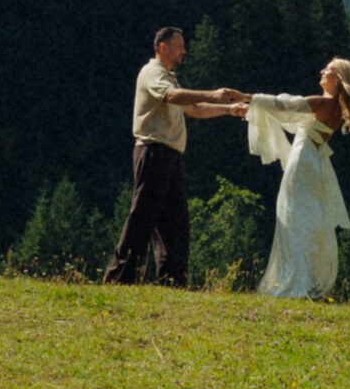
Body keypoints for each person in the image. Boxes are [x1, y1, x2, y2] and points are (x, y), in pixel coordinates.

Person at [103, 26, 247, 286]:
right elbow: (172, 97)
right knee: (143, 217)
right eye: (179, 45)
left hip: (168, 154)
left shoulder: (169, 76)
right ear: (163, 47)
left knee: (175, 223)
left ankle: (172, 281)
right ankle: (119, 277)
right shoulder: (152, 73)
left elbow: (193, 108)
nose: (184, 50)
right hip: (153, 150)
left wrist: (228, 108)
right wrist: (212, 93)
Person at [232, 57, 350, 299]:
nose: (322, 71)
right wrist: (252, 109)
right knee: (305, 217)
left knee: (292, 215)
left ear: (337, 79)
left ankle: (295, 280)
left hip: (302, 163)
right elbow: (294, 120)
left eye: (328, 70)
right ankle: (305, 277)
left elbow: (284, 105)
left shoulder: (322, 102)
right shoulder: (335, 109)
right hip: (314, 164)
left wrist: (248, 97)